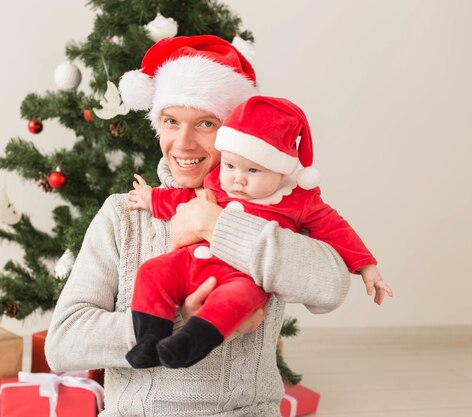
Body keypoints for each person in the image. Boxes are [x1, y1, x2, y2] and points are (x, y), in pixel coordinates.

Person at [45, 35, 350, 416]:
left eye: (205, 123)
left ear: (237, 135)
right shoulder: (123, 214)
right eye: (171, 122)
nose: (183, 143)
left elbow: (332, 287)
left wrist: (218, 226)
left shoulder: (275, 210)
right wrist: (181, 322)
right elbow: (63, 344)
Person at [125, 95, 393, 369]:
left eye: (253, 170)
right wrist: (151, 198)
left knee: (234, 301)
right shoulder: (218, 180)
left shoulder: (298, 199)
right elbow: (184, 200)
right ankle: (148, 341)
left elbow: (336, 229)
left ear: (279, 171)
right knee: (153, 271)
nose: (237, 179)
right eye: (230, 166)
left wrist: (366, 266)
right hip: (192, 261)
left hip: (242, 277)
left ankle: (188, 345)